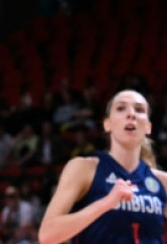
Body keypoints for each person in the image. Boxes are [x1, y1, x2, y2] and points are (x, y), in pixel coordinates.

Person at [38, 89, 167, 244]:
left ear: (148, 127)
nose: (131, 114)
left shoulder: (162, 181)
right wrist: (106, 203)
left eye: (139, 110)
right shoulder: (83, 168)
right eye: (121, 108)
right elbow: (47, 235)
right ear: (107, 124)